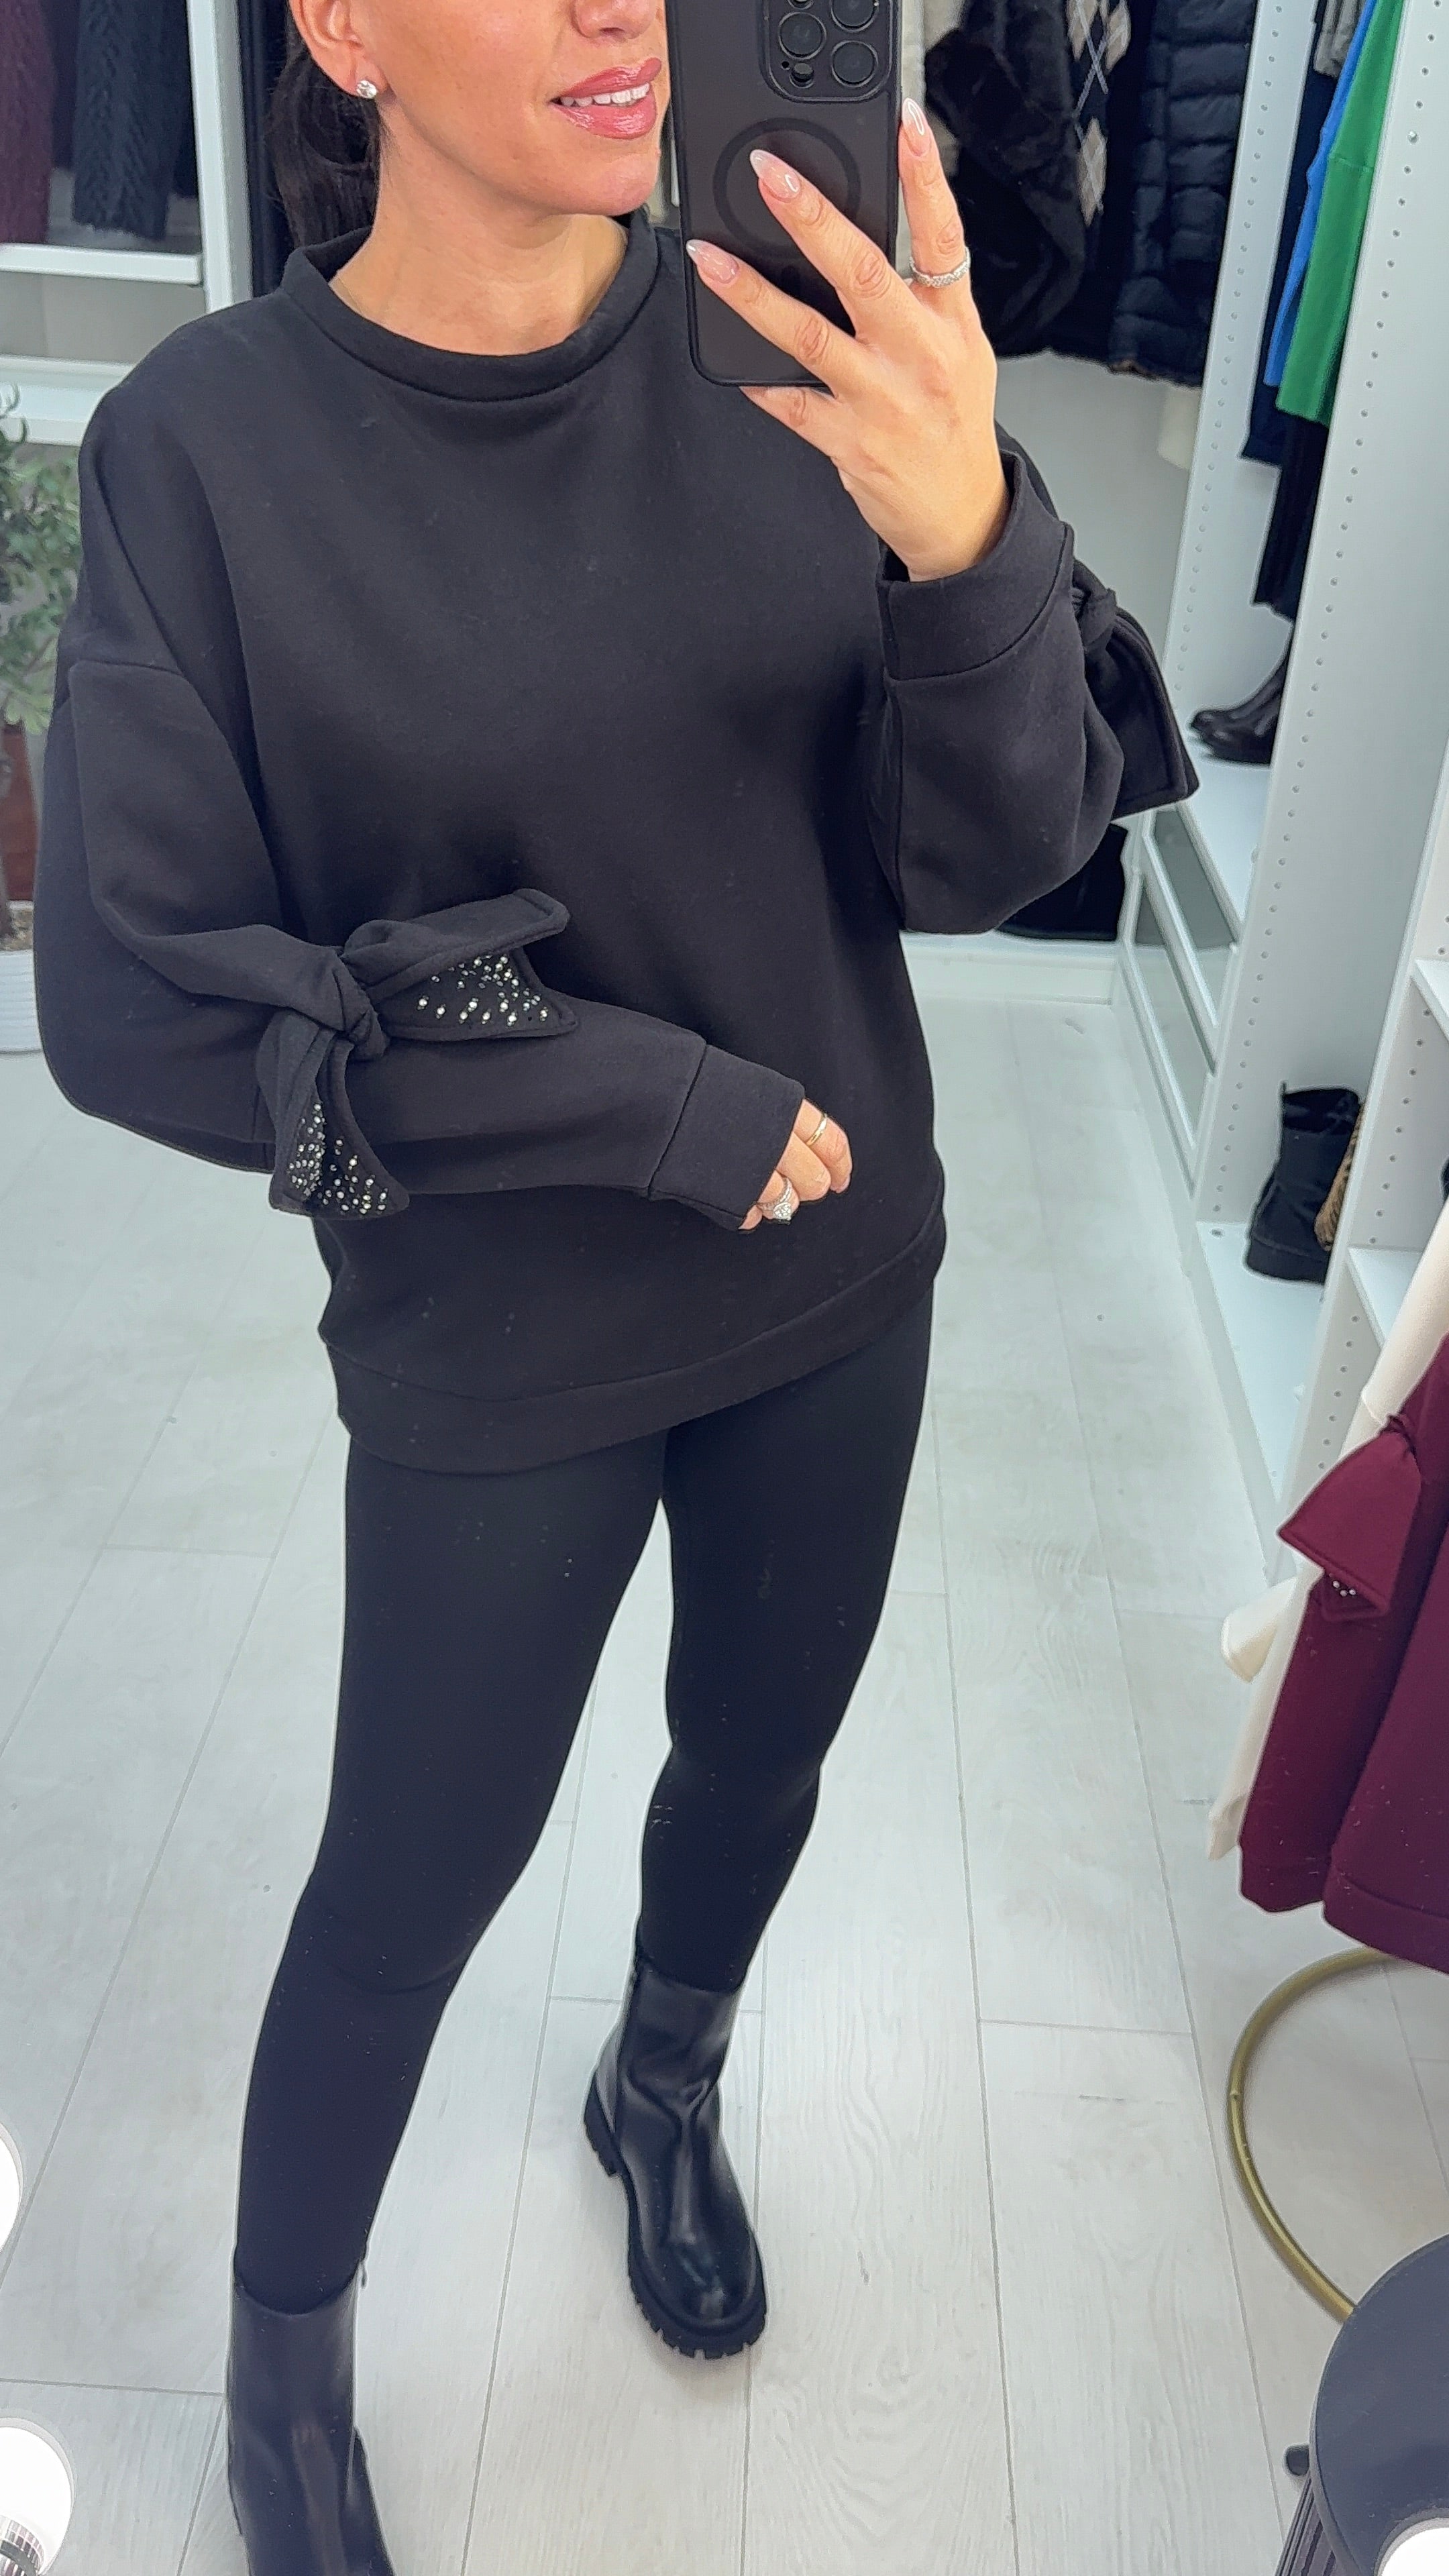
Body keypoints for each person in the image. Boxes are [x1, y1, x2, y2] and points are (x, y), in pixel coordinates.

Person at [32, 3, 1191, 2567]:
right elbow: (138, 1000)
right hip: (496, 1326)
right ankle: (284, 2357)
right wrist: (632, 1101)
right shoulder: (206, 452)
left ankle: (660, 2084)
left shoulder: (803, 357)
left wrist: (971, 541)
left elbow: (990, 860)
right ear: (340, 24)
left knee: (758, 1763)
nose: (614, 10)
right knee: (407, 1880)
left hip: (840, 1281)